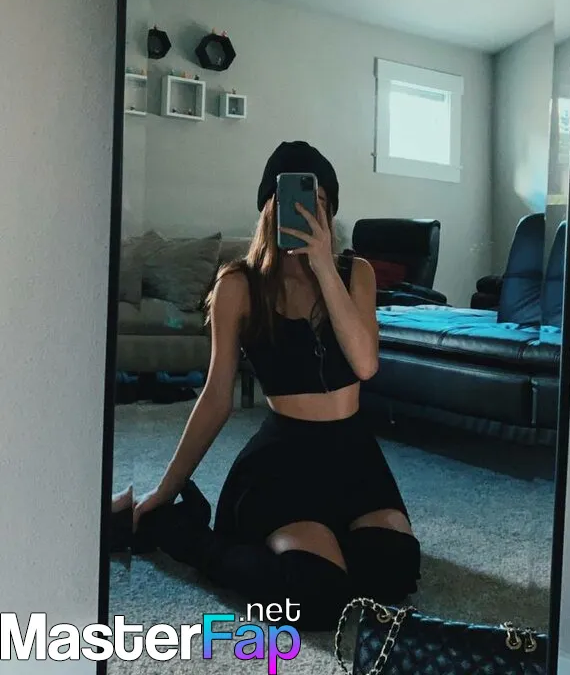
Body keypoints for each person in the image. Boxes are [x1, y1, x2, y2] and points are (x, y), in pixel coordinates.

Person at [114, 141, 421, 630]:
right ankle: (188, 536)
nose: (305, 214)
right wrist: (165, 491)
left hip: (354, 454)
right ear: (269, 210)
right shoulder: (239, 285)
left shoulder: (355, 274)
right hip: (284, 462)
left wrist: (323, 266)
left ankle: (323, 546)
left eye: (318, 204)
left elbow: (365, 364)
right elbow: (216, 397)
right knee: (316, 596)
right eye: (292, 203)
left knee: (394, 571)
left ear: (330, 213)